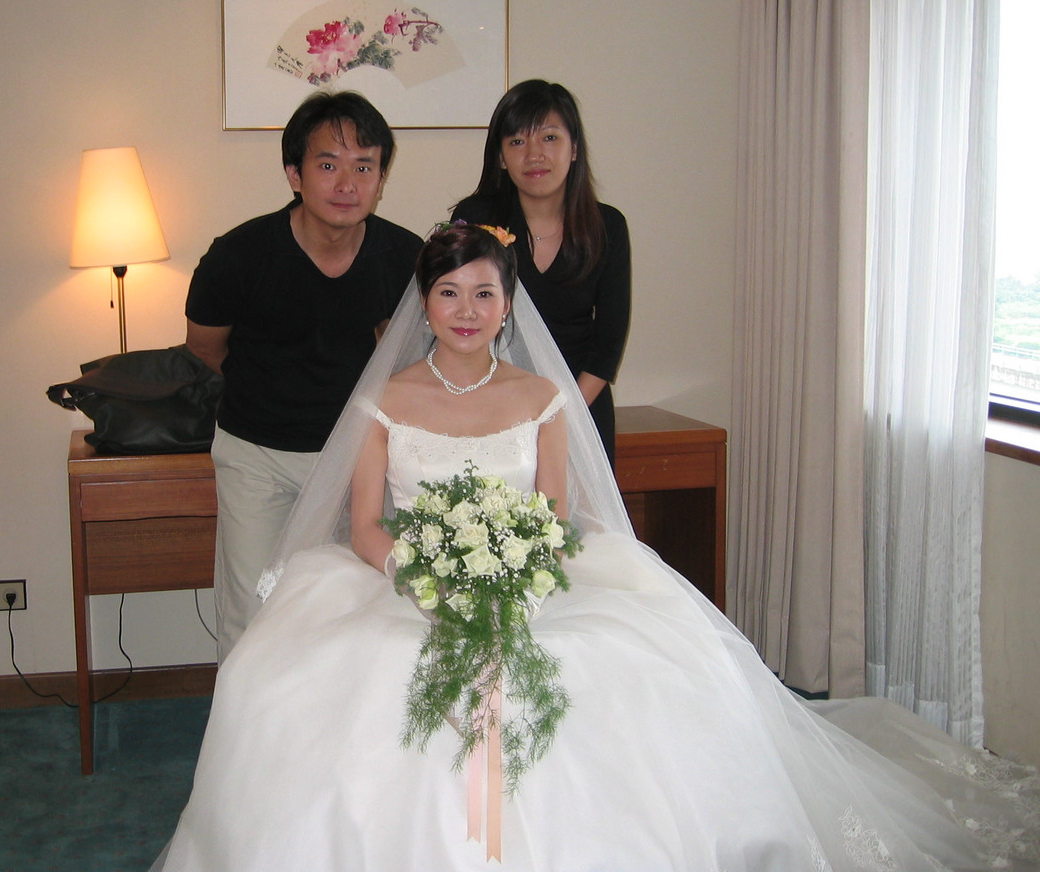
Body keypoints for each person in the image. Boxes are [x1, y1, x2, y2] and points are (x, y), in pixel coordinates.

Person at [152, 224, 1038, 871]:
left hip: (529, 575)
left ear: (508, 305)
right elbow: (364, 525)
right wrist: (420, 578)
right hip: (406, 581)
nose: (466, 311)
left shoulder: (541, 397)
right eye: (448, 293)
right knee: (312, 676)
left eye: (483, 293)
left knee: (628, 668)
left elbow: (553, 513)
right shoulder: (384, 399)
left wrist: (515, 579)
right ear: (423, 305)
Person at [185, 90, 421, 660]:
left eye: (364, 167)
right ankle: (246, 717)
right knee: (253, 611)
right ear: (295, 175)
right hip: (257, 455)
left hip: (356, 458)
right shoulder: (238, 256)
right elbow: (205, 347)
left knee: (355, 606)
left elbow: (410, 361)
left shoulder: (404, 257)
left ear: (381, 179)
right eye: (328, 165)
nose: (347, 184)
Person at [452, 79, 630, 465]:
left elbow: (607, 347)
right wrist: (506, 413)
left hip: (580, 408)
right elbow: (457, 322)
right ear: (501, 156)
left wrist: (558, 415)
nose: (534, 155)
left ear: (574, 149)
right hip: (490, 409)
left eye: (549, 138)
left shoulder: (607, 227)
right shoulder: (477, 218)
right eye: (517, 141)